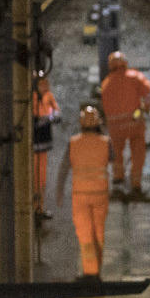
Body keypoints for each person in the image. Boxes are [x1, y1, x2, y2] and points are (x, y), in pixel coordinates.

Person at [57, 105, 113, 279]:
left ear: (81, 123)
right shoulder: (105, 143)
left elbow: (64, 168)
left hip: (80, 195)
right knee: (98, 234)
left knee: (85, 234)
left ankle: (90, 273)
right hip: (100, 194)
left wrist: (59, 191)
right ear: (98, 124)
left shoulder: (74, 143)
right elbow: (114, 160)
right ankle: (97, 270)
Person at [101, 50, 150, 199]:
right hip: (135, 123)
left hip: (115, 127)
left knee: (117, 155)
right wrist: (145, 109)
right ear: (125, 63)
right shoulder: (135, 77)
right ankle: (136, 185)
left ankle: (118, 182)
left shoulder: (106, 84)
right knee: (138, 153)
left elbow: (105, 107)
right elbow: (149, 95)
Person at [31, 66, 61, 223]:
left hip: (43, 144)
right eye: (43, 83)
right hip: (33, 145)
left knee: (41, 179)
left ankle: (39, 208)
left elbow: (57, 113)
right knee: (33, 178)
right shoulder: (31, 98)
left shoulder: (48, 96)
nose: (47, 86)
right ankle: (33, 209)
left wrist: (48, 118)